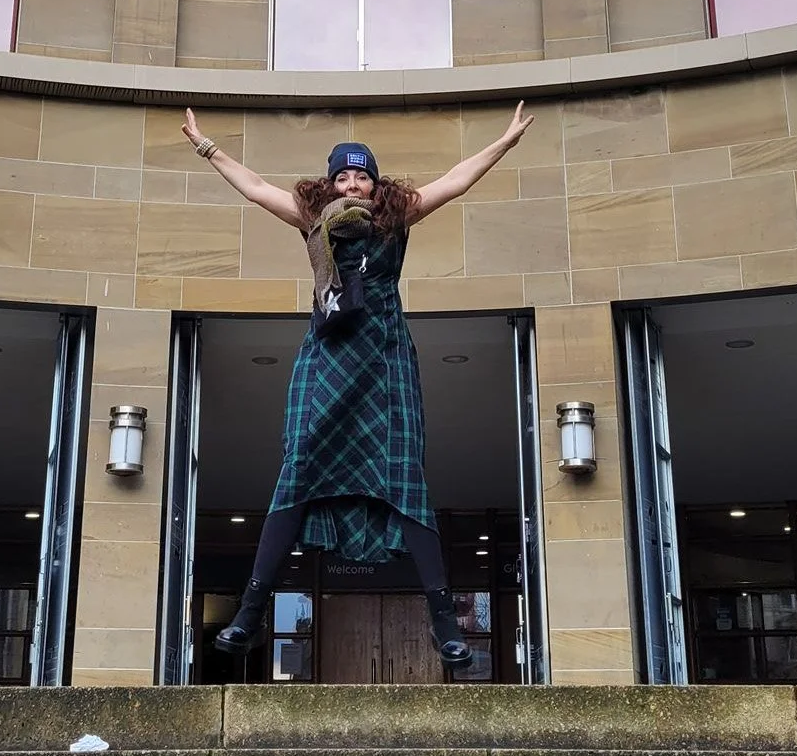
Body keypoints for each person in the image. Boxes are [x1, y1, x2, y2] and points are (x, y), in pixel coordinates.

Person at [181, 101, 534, 671]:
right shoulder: (311, 219)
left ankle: (445, 626)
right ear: (330, 184)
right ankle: (249, 614)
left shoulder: (397, 218)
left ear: (375, 184)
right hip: (327, 357)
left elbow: (455, 180)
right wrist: (208, 148)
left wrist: (504, 143)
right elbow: (255, 188)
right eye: (342, 176)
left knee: (405, 479)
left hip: (386, 363)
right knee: (298, 469)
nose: (352, 184)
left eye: (361, 176)